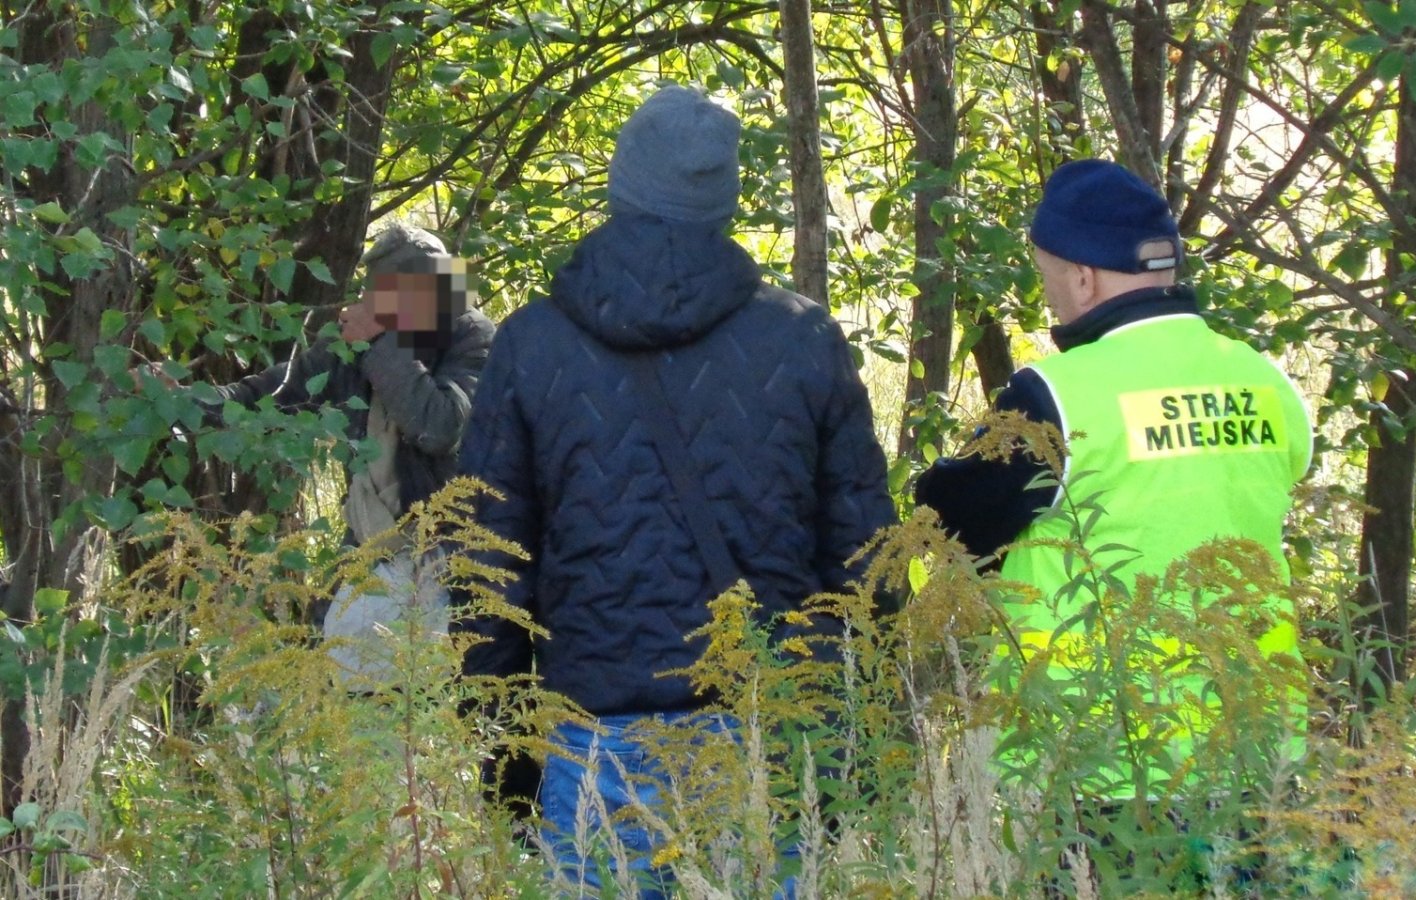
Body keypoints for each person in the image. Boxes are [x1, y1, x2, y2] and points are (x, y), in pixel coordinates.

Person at [453, 84, 896, 895]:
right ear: (724, 198)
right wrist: (862, 741)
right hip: (765, 733)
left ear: (620, 186)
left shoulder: (531, 345)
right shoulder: (803, 340)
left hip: (593, 736)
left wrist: (501, 757)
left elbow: (486, 570)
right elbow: (869, 560)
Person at [915, 159, 1313, 803]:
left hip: (1099, 760)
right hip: (1257, 747)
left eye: (1046, 276)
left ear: (1081, 276)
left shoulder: (1057, 397)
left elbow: (953, 520)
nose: (1048, 294)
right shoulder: (1265, 379)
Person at [161, 225, 496, 677]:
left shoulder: (471, 336)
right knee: (346, 680)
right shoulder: (357, 340)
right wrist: (179, 400)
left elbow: (438, 426)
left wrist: (379, 344)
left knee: (430, 693)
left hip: (450, 551)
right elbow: (273, 393)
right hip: (371, 542)